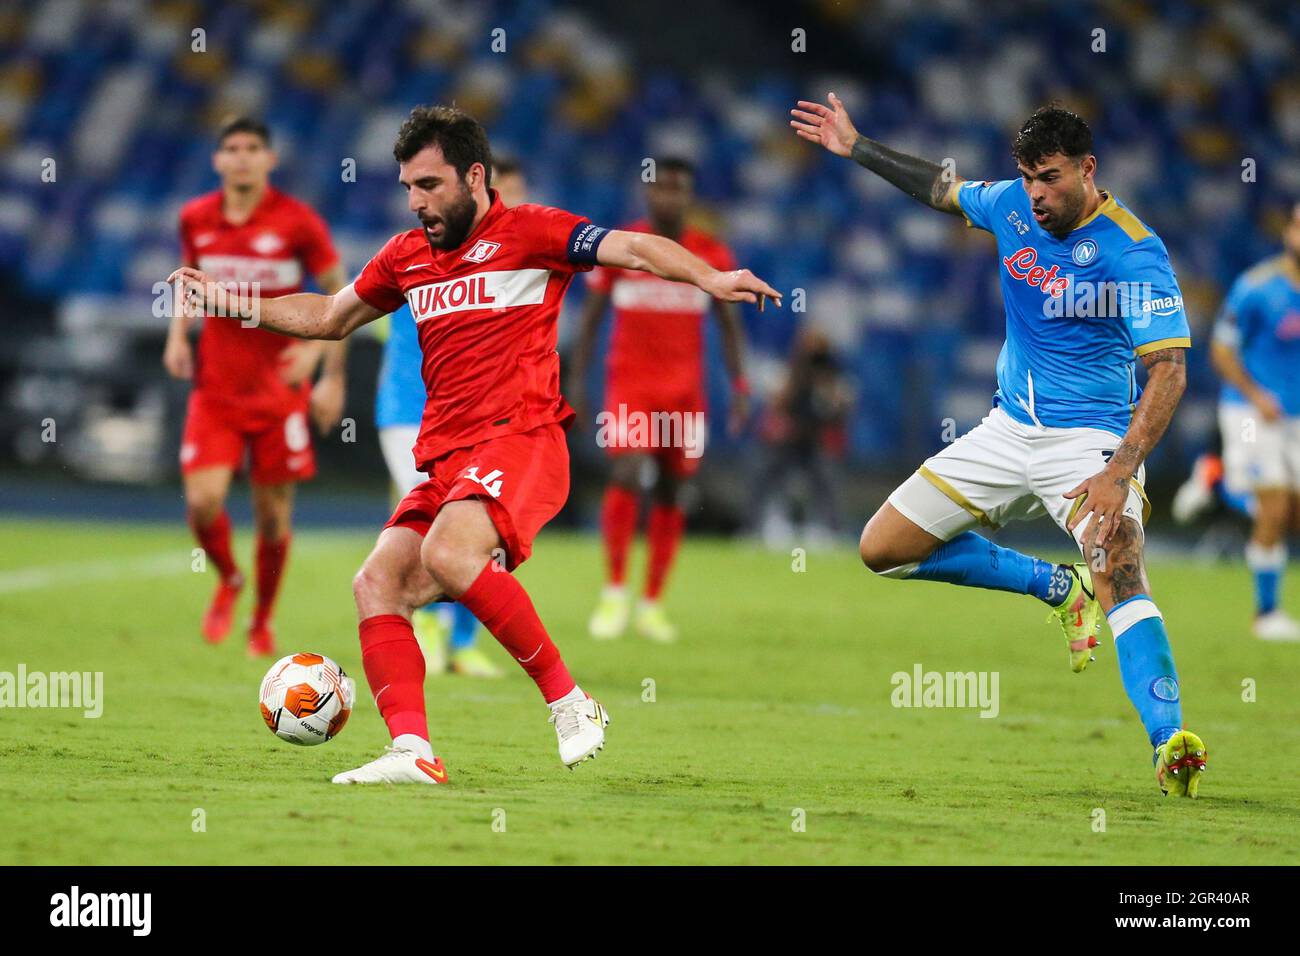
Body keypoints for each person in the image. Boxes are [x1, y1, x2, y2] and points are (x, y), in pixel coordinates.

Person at [170, 105, 780, 783]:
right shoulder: (405, 257)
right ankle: (412, 751)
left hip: (524, 438)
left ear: (475, 175)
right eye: (407, 187)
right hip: (450, 456)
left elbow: (634, 249)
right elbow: (329, 317)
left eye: (429, 185)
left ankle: (572, 703)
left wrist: (711, 279)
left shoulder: (534, 232)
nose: (416, 202)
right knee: (376, 582)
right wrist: (234, 302)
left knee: (449, 551)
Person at [791, 95, 1207, 796]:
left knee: (1121, 563)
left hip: (1089, 443)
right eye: (1027, 177)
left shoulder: (1132, 251)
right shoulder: (1008, 205)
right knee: (881, 549)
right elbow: (940, 189)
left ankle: (1171, 742)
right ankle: (1049, 586)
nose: (1036, 194)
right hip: (1005, 429)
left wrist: (1119, 470)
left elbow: (1169, 369)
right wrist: (857, 145)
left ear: (1087, 169)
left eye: (1049, 177)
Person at [163, 116, 347, 657]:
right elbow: (188, 276)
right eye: (232, 149)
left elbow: (345, 297)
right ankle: (229, 579)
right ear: (217, 160)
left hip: (279, 394)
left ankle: (261, 620)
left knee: (272, 518)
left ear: (270, 159)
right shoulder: (196, 218)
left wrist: (321, 362)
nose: (241, 157)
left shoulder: (298, 223)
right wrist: (178, 335)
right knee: (203, 501)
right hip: (216, 390)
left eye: (252, 148)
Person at [570, 157, 749, 642]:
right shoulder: (622, 245)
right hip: (629, 387)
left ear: (690, 197)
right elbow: (590, 319)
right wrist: (577, 382)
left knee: (672, 490)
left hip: (684, 394)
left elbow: (729, 324)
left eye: (679, 189)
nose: (669, 197)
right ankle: (613, 590)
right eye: (661, 188)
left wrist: (738, 386)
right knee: (627, 473)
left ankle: (651, 602)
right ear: (647, 193)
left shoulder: (709, 252)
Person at [370, 158, 532, 678]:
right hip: (408, 412)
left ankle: (460, 642)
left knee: (486, 534)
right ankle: (431, 632)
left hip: (481, 423)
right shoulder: (417, 255)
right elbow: (352, 315)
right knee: (439, 526)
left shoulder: (518, 261)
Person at [1208, 201, 1300, 641]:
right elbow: (1222, 350)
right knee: (1275, 504)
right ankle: (1266, 614)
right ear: (1289, 232)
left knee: (1290, 515)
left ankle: (1216, 482)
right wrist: (1256, 395)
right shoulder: (1257, 287)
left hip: (1296, 418)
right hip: (1252, 412)